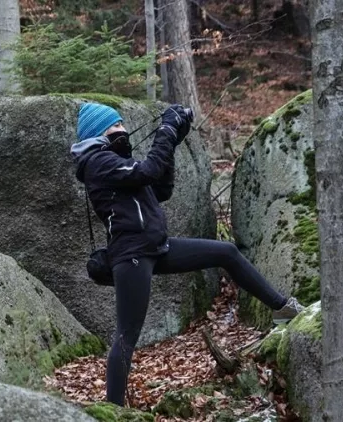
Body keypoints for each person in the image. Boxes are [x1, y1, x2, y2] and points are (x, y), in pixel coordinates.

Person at [70, 102, 305, 407]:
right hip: (132, 255)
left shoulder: (115, 162)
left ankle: (281, 308)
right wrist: (166, 130)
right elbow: (149, 170)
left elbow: (161, 189)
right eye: (116, 125)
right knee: (127, 334)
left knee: (226, 252)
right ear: (99, 133)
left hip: (156, 247)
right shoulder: (98, 162)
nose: (123, 129)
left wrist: (173, 141)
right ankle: (113, 409)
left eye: (122, 123)